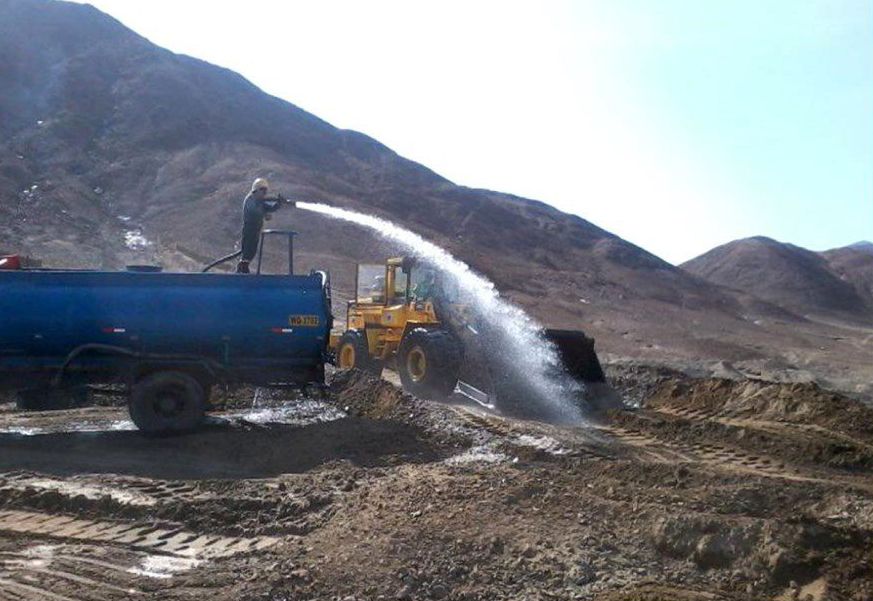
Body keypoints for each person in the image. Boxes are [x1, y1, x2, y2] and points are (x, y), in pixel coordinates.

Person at [236, 178, 293, 273]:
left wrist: (279, 204)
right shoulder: (249, 200)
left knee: (252, 251)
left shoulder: (259, 202)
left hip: (256, 230)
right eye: (263, 191)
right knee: (248, 250)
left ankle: (243, 267)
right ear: (256, 190)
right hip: (249, 230)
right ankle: (242, 268)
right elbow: (254, 211)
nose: (264, 194)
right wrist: (264, 213)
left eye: (265, 191)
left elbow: (270, 208)